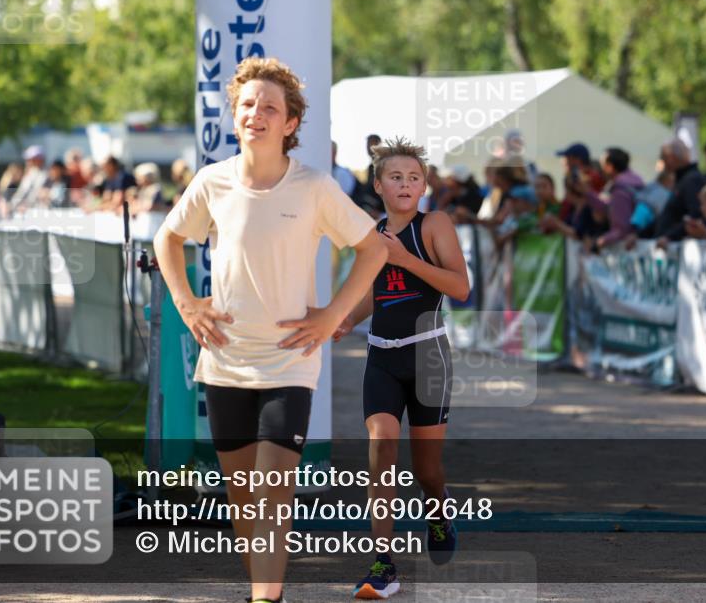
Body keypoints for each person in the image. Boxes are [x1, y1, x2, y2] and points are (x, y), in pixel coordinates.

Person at [153, 56, 387, 603]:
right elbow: (167, 239)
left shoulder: (313, 187)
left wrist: (332, 315)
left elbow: (374, 248)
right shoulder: (212, 183)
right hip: (225, 360)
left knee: (272, 490)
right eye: (247, 105)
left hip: (289, 360)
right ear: (235, 116)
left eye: (270, 107)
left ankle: (266, 599)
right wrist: (187, 305)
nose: (256, 113)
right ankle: (263, 587)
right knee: (243, 498)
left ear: (290, 124)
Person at [333, 138, 469, 600]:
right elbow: (377, 293)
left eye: (414, 177)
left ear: (425, 185)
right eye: (396, 177)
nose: (405, 184)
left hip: (428, 356)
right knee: (381, 444)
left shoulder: (435, 225)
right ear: (379, 185)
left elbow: (460, 287)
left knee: (427, 471)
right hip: (382, 356)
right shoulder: (371, 233)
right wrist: (346, 319)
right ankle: (383, 563)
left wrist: (406, 258)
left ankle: (438, 511)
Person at [654, 138, 706, 248]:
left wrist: (670, 237)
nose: (663, 162)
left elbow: (695, 215)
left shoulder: (691, 180)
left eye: (663, 158)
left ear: (672, 157)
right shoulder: (683, 180)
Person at [595, 147, 645, 248]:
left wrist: (601, 241)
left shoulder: (620, 190)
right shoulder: (636, 182)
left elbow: (621, 229)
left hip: (629, 247)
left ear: (609, 167)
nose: (600, 171)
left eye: (602, 166)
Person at [5, 145, 48, 214]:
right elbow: (21, 192)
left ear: (39, 159)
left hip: (39, 213)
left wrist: (26, 205)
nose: (29, 161)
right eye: (29, 159)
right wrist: (11, 205)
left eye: (32, 159)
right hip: (27, 212)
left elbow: (36, 194)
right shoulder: (30, 174)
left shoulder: (46, 175)